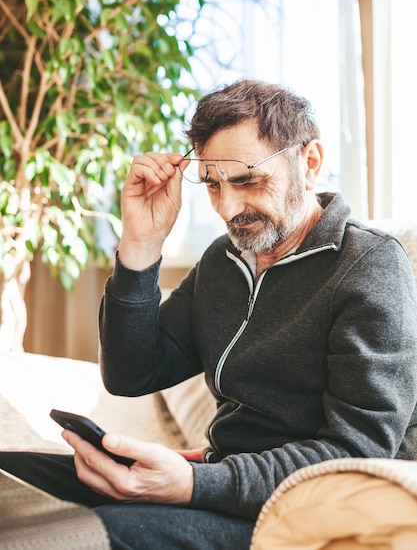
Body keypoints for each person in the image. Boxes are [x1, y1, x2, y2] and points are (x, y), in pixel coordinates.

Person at [1, 79, 417, 549]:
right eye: (214, 185)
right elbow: (131, 373)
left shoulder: (368, 265)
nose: (228, 207)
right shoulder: (224, 260)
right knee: (9, 475)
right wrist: (141, 246)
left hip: (299, 509)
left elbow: (354, 453)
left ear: (310, 163)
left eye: (247, 179)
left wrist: (194, 483)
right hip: (221, 483)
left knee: (98, 532)